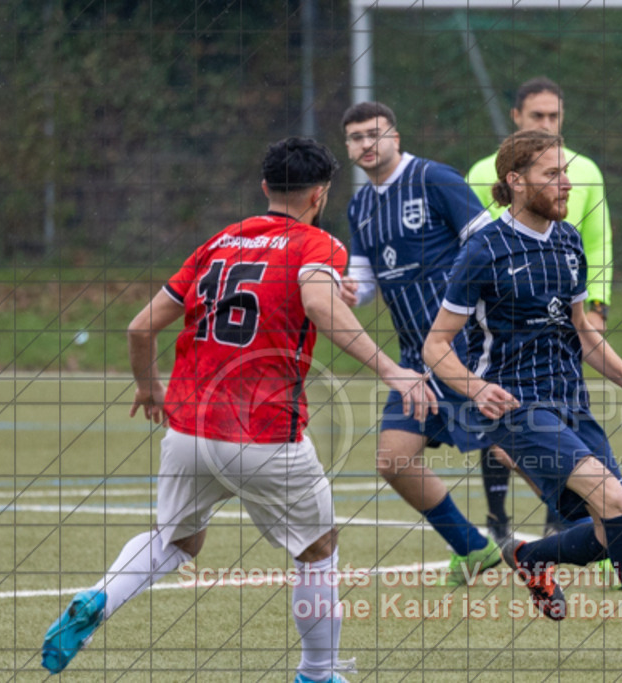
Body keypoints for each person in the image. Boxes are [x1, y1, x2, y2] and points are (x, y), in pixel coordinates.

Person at [41, 137, 434, 683]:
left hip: (189, 427)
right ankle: (318, 674)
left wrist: (150, 389)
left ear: (266, 187)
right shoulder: (316, 243)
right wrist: (393, 370)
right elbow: (317, 304)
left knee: (174, 541)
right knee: (317, 550)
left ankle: (100, 598)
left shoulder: (220, 242)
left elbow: (139, 327)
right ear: (320, 194)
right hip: (264, 435)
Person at [423, 130, 622, 664]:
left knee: (608, 528)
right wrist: (477, 388)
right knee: (615, 500)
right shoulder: (483, 249)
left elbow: (582, 330)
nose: (565, 183)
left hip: (572, 404)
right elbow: (436, 345)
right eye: (551, 174)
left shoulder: (569, 240)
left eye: (565, 172)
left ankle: (529, 556)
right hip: (517, 408)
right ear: (515, 181)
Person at [338, 101, 504, 585]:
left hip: (467, 346)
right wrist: (348, 290)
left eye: (374, 133)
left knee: (516, 450)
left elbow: (484, 244)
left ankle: (598, 533)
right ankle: (473, 548)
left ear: (396, 135)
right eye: (355, 138)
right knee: (393, 459)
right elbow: (365, 283)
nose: (366, 144)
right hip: (415, 359)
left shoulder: (435, 179)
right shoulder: (360, 205)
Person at [466, 77, 614, 538]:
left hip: (562, 318)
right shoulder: (477, 174)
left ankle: (565, 523)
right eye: (537, 116)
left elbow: (597, 241)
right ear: (517, 118)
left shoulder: (584, 171)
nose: (547, 123)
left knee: (563, 418)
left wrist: (597, 304)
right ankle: (498, 522)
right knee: (500, 419)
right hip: (499, 325)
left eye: (554, 116)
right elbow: (471, 249)